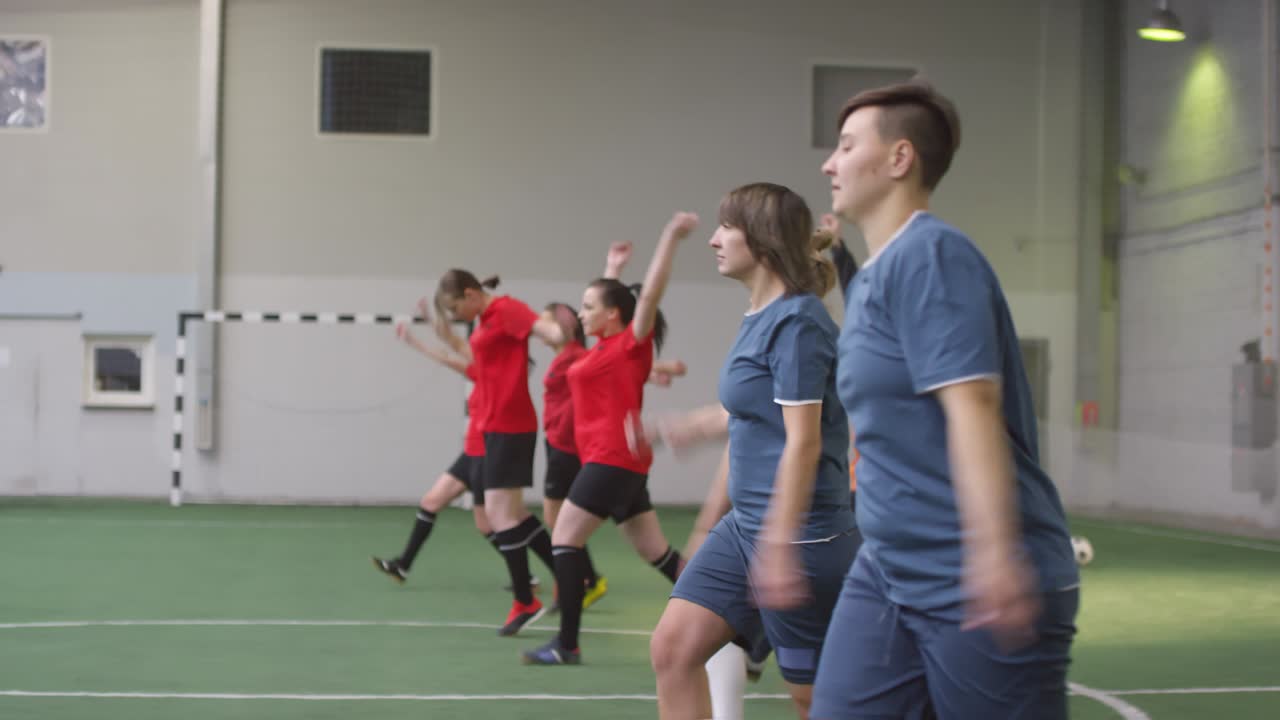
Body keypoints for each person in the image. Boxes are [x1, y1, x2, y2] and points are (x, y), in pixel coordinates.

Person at [809, 79, 1079, 720]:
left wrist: (994, 554)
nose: (829, 164)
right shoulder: (871, 279)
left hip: (968, 574)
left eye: (846, 146)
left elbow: (972, 408)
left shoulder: (931, 256)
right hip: (888, 568)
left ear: (899, 158)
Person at [637, 183, 857, 719]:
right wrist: (688, 426)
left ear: (763, 239)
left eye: (726, 228)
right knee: (673, 649)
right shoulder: (760, 314)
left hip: (801, 536)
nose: (713, 240)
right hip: (745, 528)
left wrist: (778, 545)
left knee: (813, 700)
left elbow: (803, 442)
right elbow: (759, 407)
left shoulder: (798, 324)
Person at [520, 214, 696, 666]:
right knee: (658, 554)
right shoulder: (600, 349)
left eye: (588, 307)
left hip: (611, 461)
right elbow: (607, 302)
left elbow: (649, 294)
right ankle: (744, 621)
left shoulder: (631, 344)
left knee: (564, 539)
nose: (581, 314)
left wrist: (670, 237)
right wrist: (612, 268)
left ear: (613, 314)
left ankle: (567, 644)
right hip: (620, 465)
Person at [434, 272, 576, 636]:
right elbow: (479, 360)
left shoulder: (508, 310)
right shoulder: (485, 319)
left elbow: (550, 333)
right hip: (494, 426)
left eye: (456, 309)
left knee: (498, 516)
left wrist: (558, 327)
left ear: (470, 294)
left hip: (511, 426)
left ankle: (525, 600)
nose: (457, 316)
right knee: (513, 515)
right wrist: (443, 337)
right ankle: (570, 577)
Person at [370, 300, 499, 583]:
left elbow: (446, 355)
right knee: (431, 501)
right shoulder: (481, 368)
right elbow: (452, 342)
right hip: (470, 453)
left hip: (485, 454)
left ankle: (525, 576)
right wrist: (429, 318)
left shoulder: (487, 373)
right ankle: (403, 565)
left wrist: (414, 342)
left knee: (485, 524)